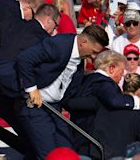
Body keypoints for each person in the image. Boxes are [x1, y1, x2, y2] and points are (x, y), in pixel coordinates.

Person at [15, 25, 109, 159]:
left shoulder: (80, 60)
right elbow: (25, 59)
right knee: (49, 154)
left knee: (67, 151)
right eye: (93, 51)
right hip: (35, 104)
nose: (93, 57)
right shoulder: (59, 45)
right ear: (84, 42)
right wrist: (32, 89)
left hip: (55, 106)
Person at [0, 4, 61, 157]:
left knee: (27, 134)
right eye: (56, 25)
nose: (55, 30)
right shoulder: (43, 39)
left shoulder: (12, 23)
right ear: (49, 20)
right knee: (32, 135)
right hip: (11, 91)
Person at [65, 51, 140, 159]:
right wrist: (138, 101)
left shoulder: (89, 79)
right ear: (111, 68)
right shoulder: (103, 82)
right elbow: (113, 100)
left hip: (81, 139)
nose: (121, 78)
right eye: (121, 73)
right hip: (91, 141)